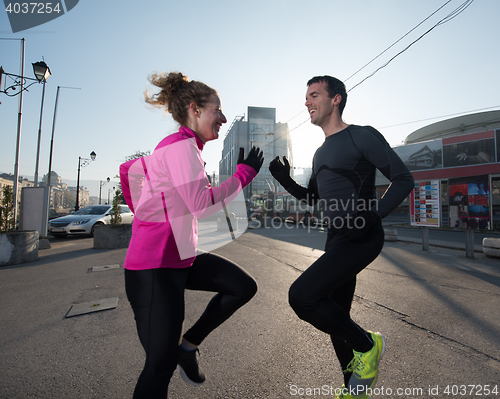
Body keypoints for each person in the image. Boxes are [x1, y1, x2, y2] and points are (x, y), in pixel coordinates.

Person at [120, 71, 264, 398]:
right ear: (196, 109)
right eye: (218, 110)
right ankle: (179, 353)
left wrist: (148, 212)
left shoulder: (180, 147)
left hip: (178, 261)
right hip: (153, 270)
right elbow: (200, 204)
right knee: (159, 366)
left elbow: (128, 171)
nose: (224, 118)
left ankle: (188, 347)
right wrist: (243, 175)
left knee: (242, 287)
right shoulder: (181, 148)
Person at [269, 76, 414, 399]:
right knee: (334, 315)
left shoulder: (361, 136)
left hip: (362, 236)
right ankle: (354, 388)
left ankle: (368, 344)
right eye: (306, 96)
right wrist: (285, 181)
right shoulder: (319, 153)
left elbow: (404, 179)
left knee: (302, 296)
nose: (307, 101)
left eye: (314, 95)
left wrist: (372, 216)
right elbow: (315, 199)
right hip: (335, 238)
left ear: (336, 99)